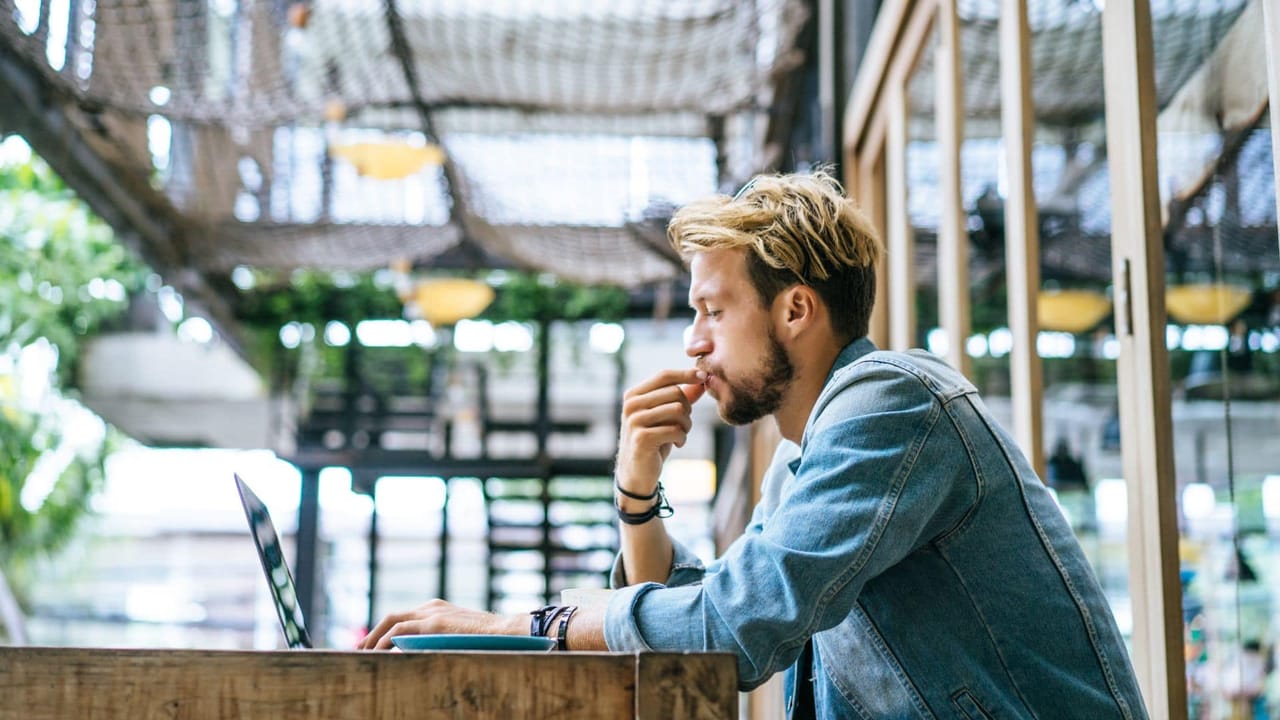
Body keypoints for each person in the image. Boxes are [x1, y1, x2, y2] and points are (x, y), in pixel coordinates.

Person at [360, 171, 1149, 719]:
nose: (693, 341)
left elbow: (735, 631)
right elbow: (703, 617)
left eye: (711, 309)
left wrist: (515, 628)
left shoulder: (893, 404)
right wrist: (638, 494)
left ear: (795, 310)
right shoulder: (806, 453)